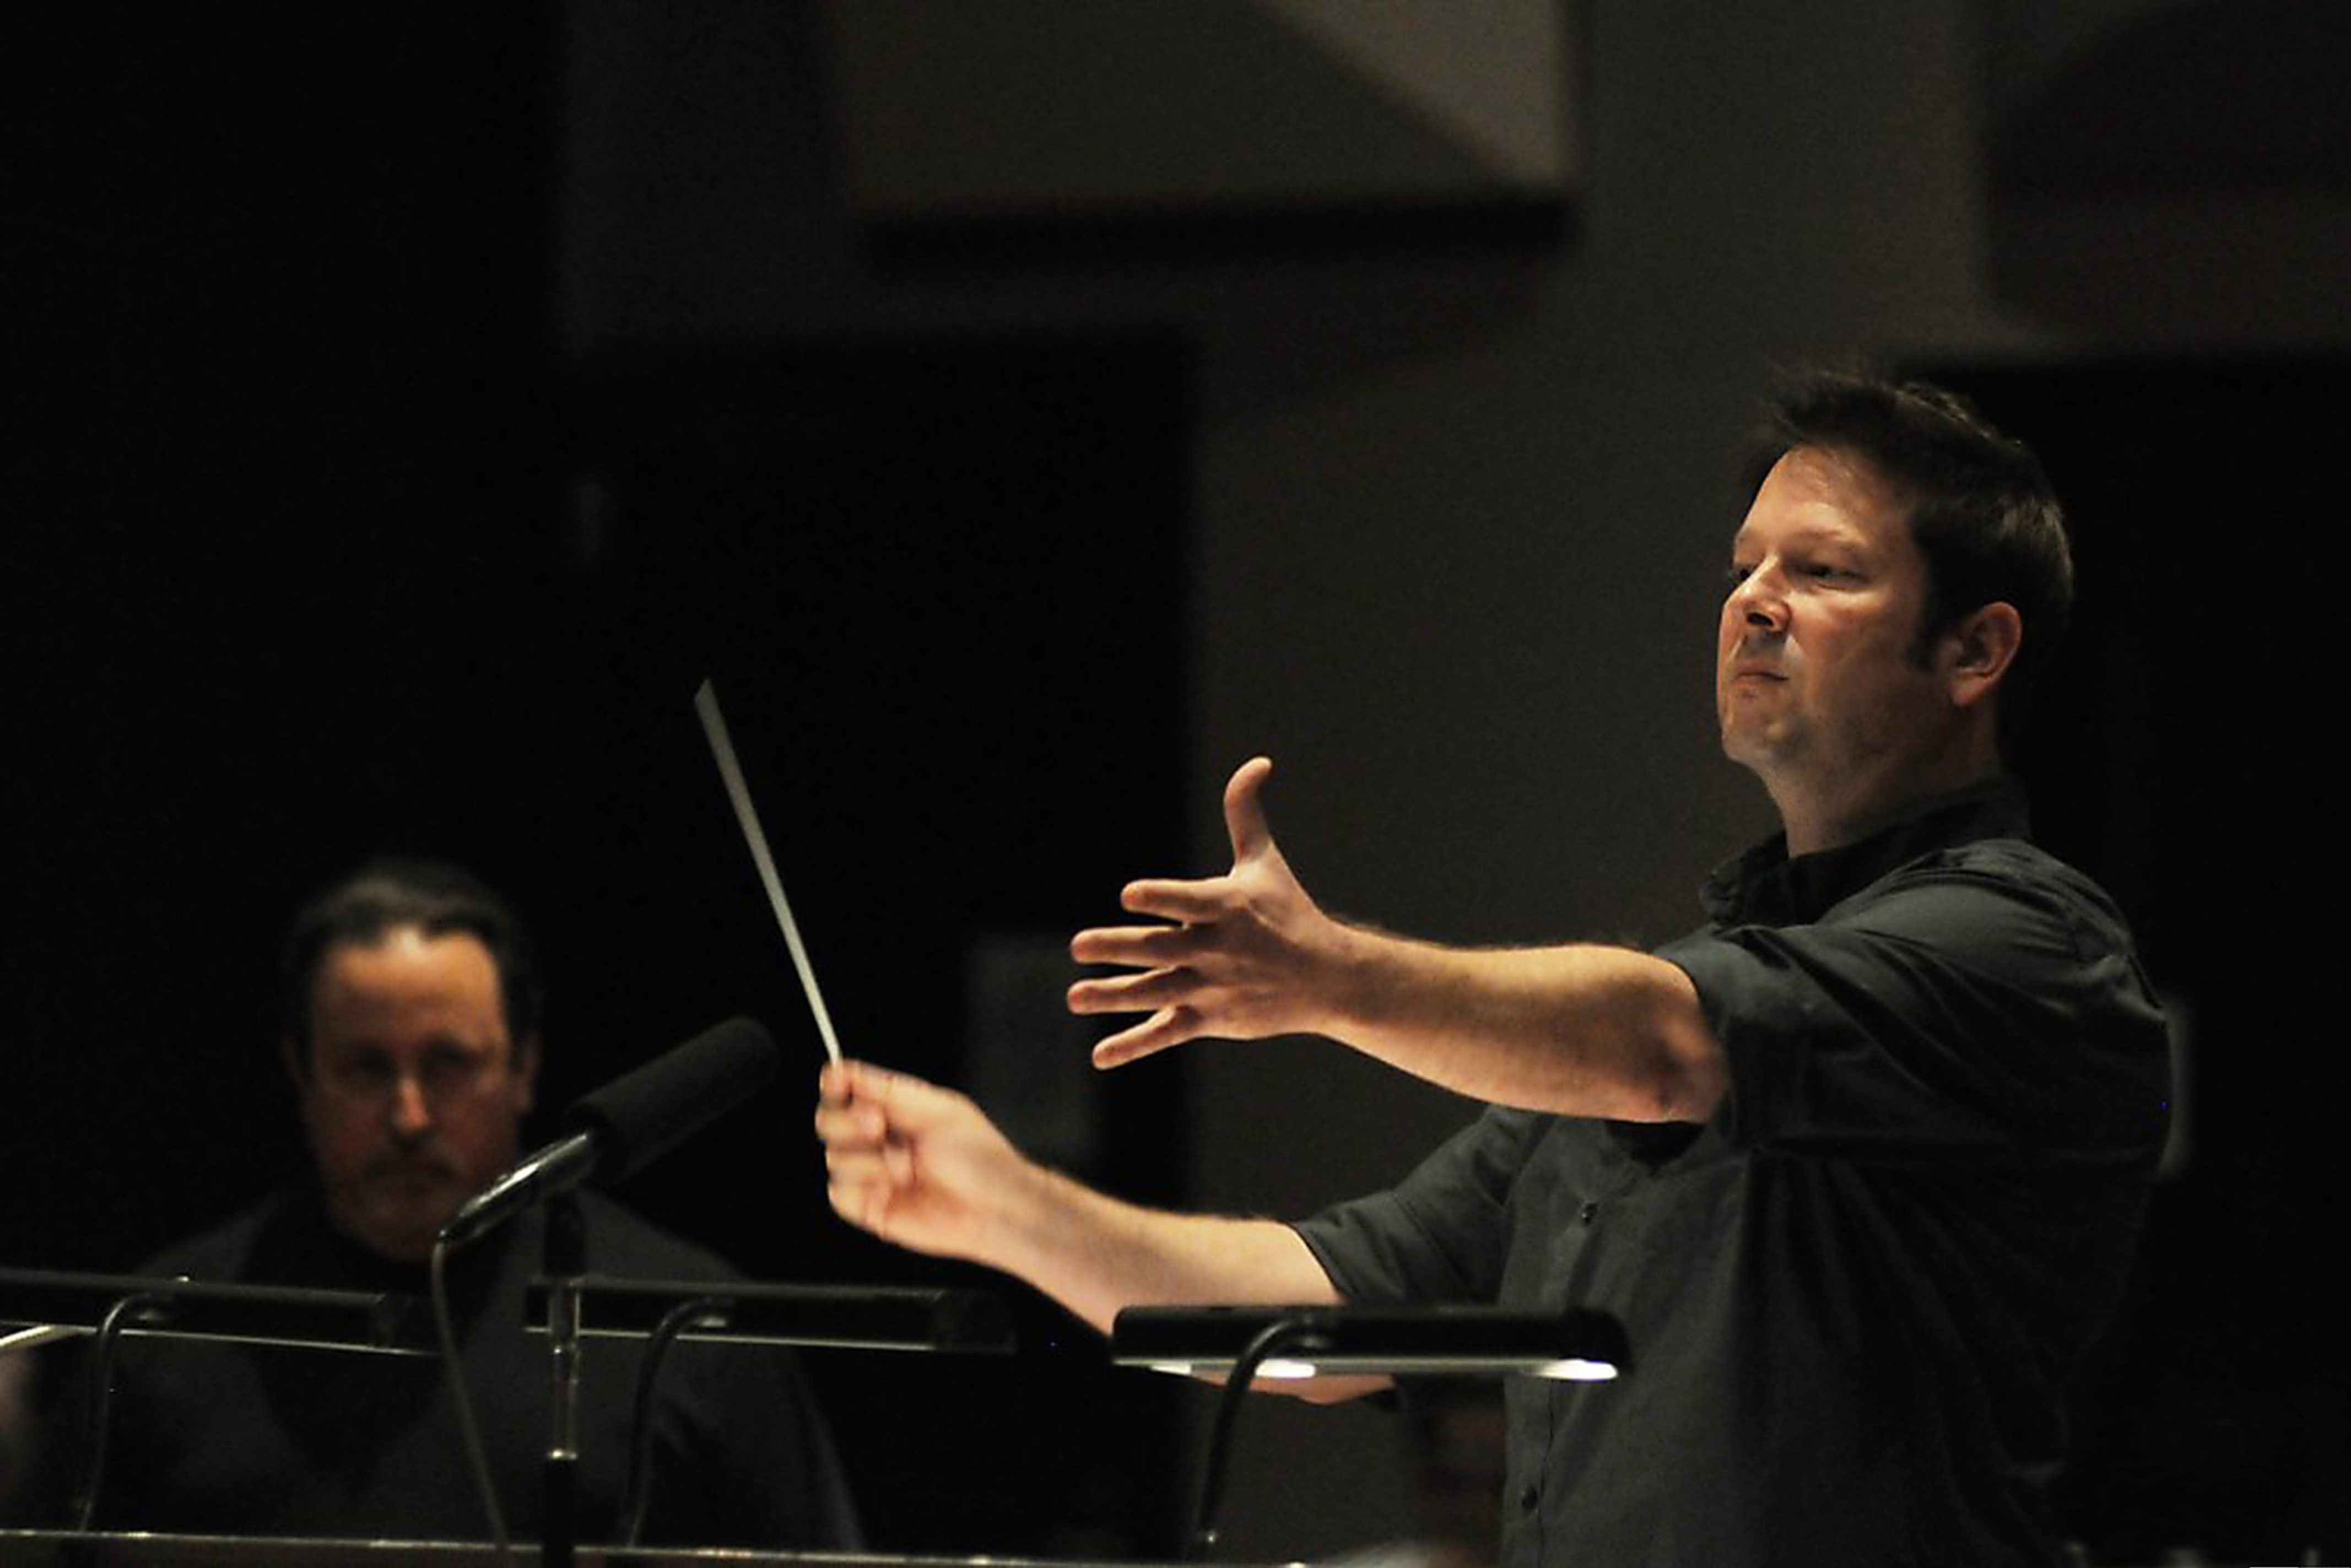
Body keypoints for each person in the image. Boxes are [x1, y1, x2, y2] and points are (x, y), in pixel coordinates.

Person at [816, 371, 2172, 1567]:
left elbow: (1666, 1046)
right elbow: (1312, 1320)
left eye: (1820, 572)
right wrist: (998, 1206)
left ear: (1974, 650)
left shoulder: (2023, 946)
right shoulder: (1661, 1011)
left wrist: (1331, 978)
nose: (1753, 601)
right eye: (1741, 568)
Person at [4, 859, 860, 1549]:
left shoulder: (687, 1332)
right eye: (367, 1068)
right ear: (301, 1074)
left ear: (524, 1066)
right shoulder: (164, 1329)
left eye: (449, 1063)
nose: (410, 1116)